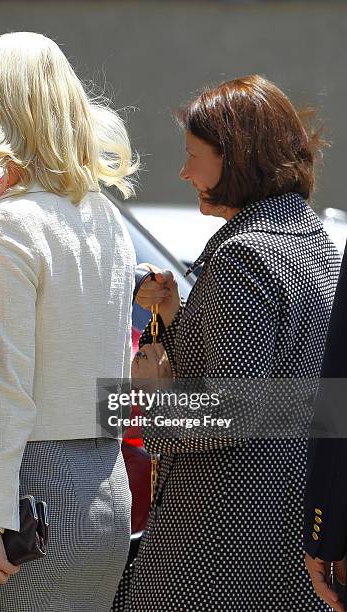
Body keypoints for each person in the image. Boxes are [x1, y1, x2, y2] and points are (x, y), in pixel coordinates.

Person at [0, 32, 138, 611]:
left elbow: (6, 393)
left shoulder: (9, 226)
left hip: (34, 498)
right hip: (106, 494)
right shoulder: (106, 220)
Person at [127, 75, 341, 611]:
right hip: (286, 536)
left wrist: (152, 399)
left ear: (237, 159)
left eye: (194, 156)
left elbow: (232, 408)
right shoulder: (317, 246)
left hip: (220, 549)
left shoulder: (246, 257)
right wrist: (177, 318)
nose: (184, 172)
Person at [304, 244, 347, 612]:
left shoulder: (240, 256)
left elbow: (340, 392)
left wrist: (324, 537)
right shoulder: (320, 243)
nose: (183, 180)